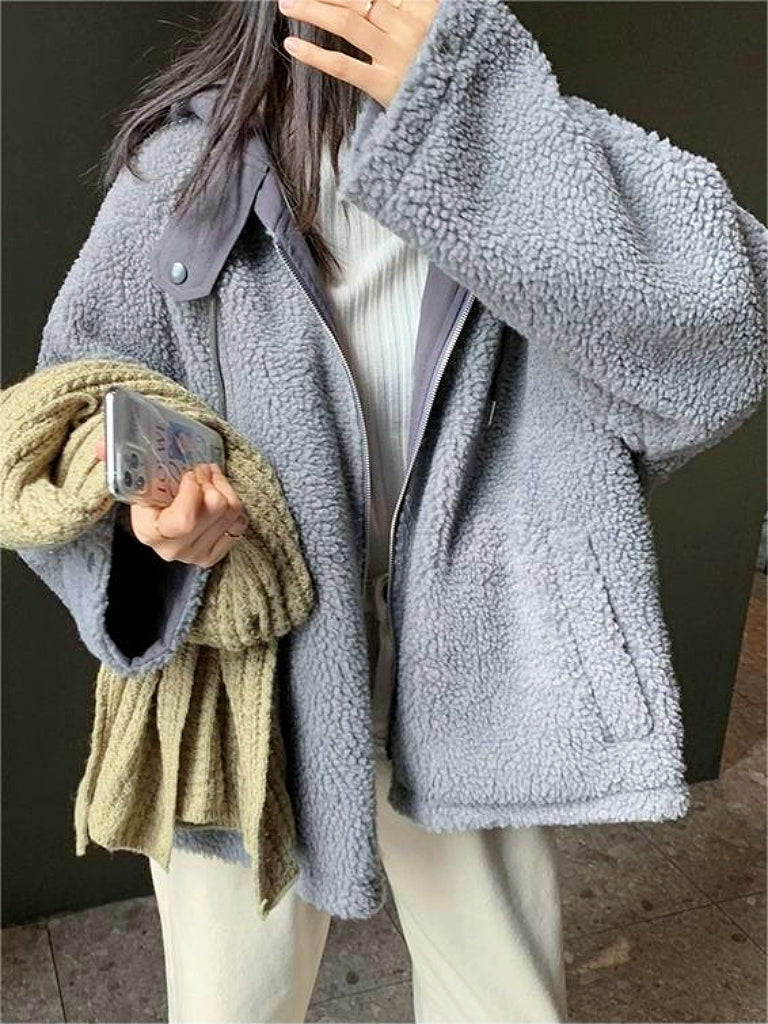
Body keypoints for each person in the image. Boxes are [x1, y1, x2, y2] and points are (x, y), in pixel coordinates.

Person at [15, 0, 766, 1021]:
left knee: (504, 1005)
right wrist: (153, 534)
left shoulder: (529, 146)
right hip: (247, 680)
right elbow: (77, 403)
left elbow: (721, 345)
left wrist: (480, 118)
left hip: (475, 660)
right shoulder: (185, 170)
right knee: (232, 1005)